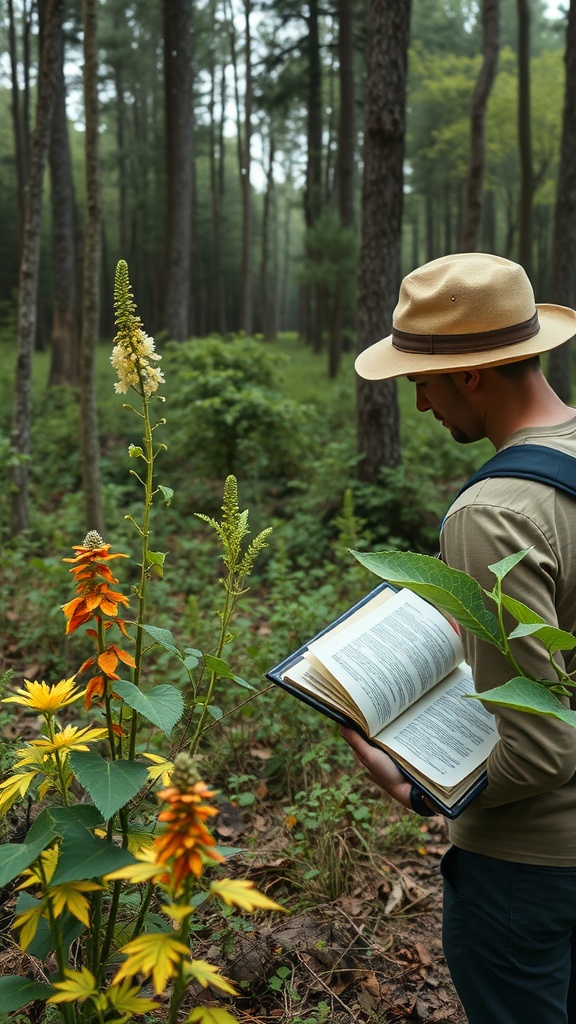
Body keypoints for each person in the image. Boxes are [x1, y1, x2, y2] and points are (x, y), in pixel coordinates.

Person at [343, 251, 576, 1024]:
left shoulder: (494, 512)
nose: (418, 407)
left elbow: (542, 748)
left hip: (529, 875)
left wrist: (420, 791)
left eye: (421, 384)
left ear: (471, 375)